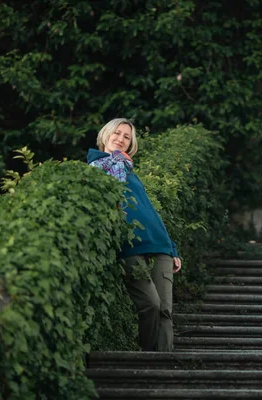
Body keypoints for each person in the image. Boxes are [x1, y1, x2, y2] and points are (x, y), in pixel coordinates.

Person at [87, 118, 182, 352]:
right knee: (150, 303)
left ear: (131, 144)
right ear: (106, 135)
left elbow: (148, 210)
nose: (120, 139)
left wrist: (172, 248)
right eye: (116, 133)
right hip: (128, 246)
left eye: (126, 137)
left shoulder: (130, 170)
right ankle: (150, 360)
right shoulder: (98, 168)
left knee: (165, 310)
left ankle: (166, 367)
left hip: (159, 244)